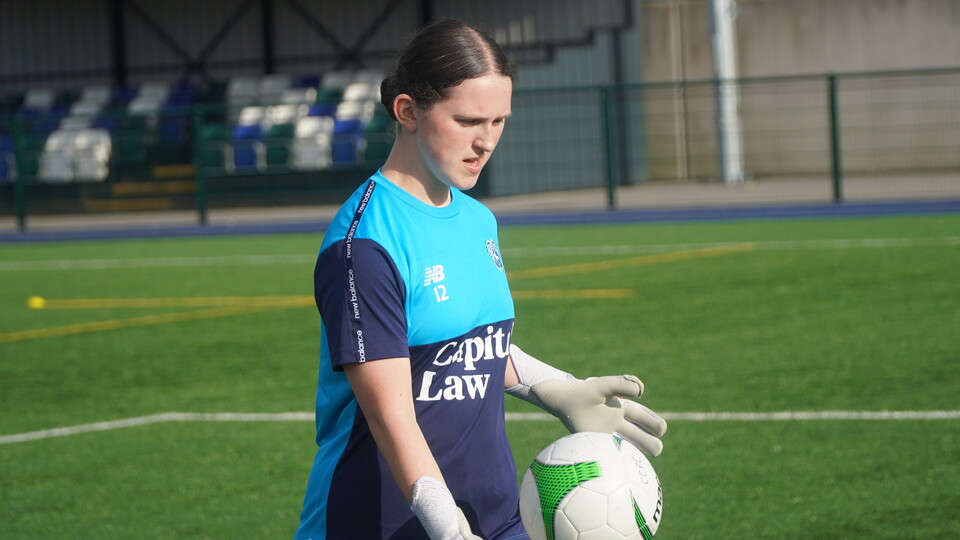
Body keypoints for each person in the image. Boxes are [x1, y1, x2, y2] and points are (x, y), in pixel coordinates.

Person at [295, 18, 667, 540]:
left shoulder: (477, 219)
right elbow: (390, 416)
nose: (486, 141)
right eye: (469, 120)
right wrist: (448, 529)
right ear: (407, 111)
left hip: (493, 513)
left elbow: (472, 344)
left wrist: (556, 390)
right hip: (383, 521)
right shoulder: (364, 245)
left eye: (499, 121)